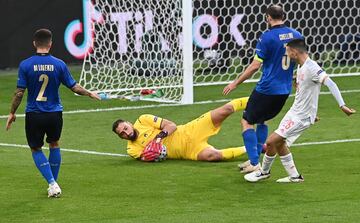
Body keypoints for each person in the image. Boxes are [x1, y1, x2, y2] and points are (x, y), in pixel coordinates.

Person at [244, 38, 356, 183]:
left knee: (271, 141)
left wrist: (342, 106)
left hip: (301, 116)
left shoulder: (312, 67)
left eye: (288, 52)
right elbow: (305, 92)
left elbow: (331, 83)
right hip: (295, 112)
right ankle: (295, 176)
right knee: (279, 143)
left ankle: (263, 172)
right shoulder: (301, 66)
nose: (287, 55)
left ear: (295, 52)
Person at [5, 28, 100, 197]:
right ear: (50, 44)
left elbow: (19, 93)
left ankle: (52, 183)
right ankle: (53, 185)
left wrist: (12, 112)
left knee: (35, 148)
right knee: (54, 144)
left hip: (35, 114)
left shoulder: (25, 65)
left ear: (34, 43)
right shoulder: (59, 64)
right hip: (54, 114)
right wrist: (90, 93)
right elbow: (74, 87)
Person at [223, 5, 303, 173]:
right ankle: (255, 158)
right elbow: (301, 61)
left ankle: (254, 163)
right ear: (284, 16)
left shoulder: (267, 37)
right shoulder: (297, 35)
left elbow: (255, 66)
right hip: (284, 90)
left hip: (267, 89)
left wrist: (235, 83)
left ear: (268, 17)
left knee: (246, 121)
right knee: (262, 120)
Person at [112, 98, 249, 161]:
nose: (126, 132)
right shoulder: (131, 149)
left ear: (129, 123)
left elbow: (171, 125)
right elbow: (146, 157)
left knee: (226, 110)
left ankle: (257, 101)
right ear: (121, 137)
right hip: (186, 152)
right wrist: (152, 156)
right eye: (122, 134)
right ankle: (252, 148)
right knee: (213, 156)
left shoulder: (143, 120)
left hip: (190, 130)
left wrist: (158, 139)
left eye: (125, 128)